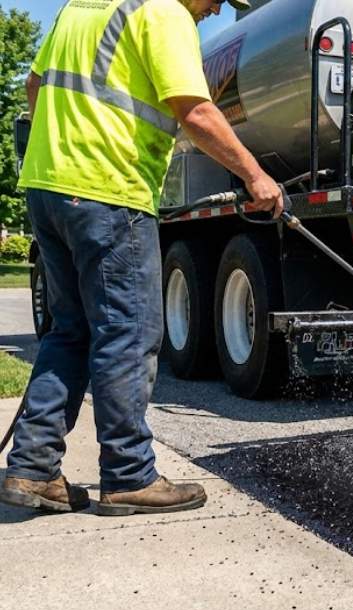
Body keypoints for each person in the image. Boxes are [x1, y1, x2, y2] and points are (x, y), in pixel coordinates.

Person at [0, 0, 284, 515]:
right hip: (109, 191)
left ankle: (32, 468)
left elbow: (34, 86)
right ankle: (129, 475)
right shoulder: (163, 13)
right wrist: (255, 176)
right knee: (128, 333)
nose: (218, 8)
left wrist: (61, 144)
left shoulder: (79, 7)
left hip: (48, 187)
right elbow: (194, 111)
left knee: (70, 331)